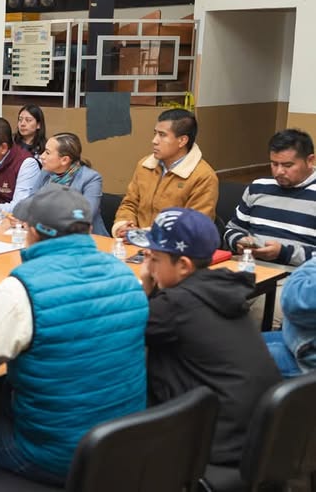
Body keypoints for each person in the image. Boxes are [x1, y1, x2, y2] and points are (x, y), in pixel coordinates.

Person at [0, 185, 148, 485]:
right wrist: (2, 314)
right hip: (123, 444)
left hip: (56, 455)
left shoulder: (23, 290)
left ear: (33, 231)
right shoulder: (126, 275)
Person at [131, 207, 281, 465]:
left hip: (213, 444)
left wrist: (146, 286)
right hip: (258, 438)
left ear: (183, 265)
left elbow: (128, 334)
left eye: (153, 258)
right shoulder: (219, 287)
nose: (148, 265)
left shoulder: (174, 306)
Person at [112, 109, 218, 238]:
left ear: (182, 141)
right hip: (136, 242)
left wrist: (145, 235)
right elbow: (129, 204)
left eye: (162, 135)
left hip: (174, 250)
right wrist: (124, 226)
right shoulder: (144, 165)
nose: (154, 140)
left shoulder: (203, 176)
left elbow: (195, 225)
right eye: (155, 133)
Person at [224, 128, 316, 267]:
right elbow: (230, 229)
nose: (279, 171)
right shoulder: (258, 188)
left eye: (288, 165)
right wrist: (238, 241)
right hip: (250, 267)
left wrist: (284, 253)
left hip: (299, 277)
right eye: (274, 164)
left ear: (310, 160)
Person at [36, 132, 108, 235]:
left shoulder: (90, 178)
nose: (42, 156)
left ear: (64, 160)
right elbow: (30, 202)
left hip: (89, 240)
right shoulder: (46, 173)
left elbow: (86, 215)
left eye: (47, 153)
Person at [263, 258, 316, 377]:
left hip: (308, 362)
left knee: (229, 356)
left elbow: (295, 302)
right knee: (239, 342)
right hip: (299, 337)